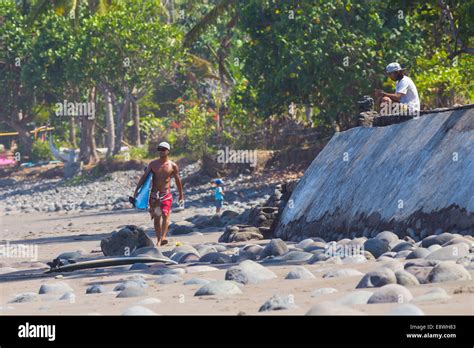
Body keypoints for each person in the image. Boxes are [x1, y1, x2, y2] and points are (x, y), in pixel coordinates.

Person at [132, 142, 183, 247]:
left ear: (168, 151)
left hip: (166, 194)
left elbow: (178, 181)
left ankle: (163, 237)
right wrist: (137, 190)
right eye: (159, 149)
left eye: (163, 149)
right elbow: (144, 177)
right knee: (157, 217)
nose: (161, 151)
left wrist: (181, 194)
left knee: (165, 214)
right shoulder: (153, 164)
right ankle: (159, 240)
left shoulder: (173, 166)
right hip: (154, 195)